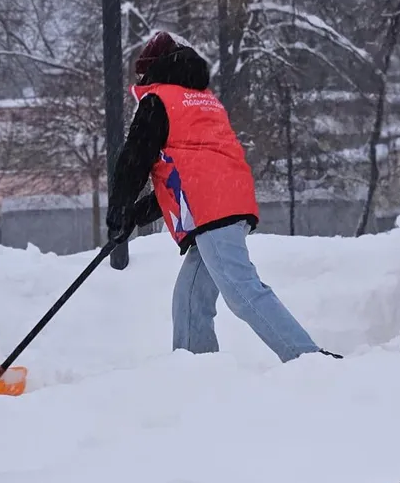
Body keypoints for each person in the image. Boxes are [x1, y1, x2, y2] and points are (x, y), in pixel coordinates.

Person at [105, 30, 338, 362]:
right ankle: (194, 368)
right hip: (228, 200)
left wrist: (118, 209)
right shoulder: (202, 102)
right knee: (190, 297)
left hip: (211, 208)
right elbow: (188, 172)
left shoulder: (157, 100)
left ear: (153, 71)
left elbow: (134, 159)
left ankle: (308, 359)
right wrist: (135, 215)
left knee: (242, 290)